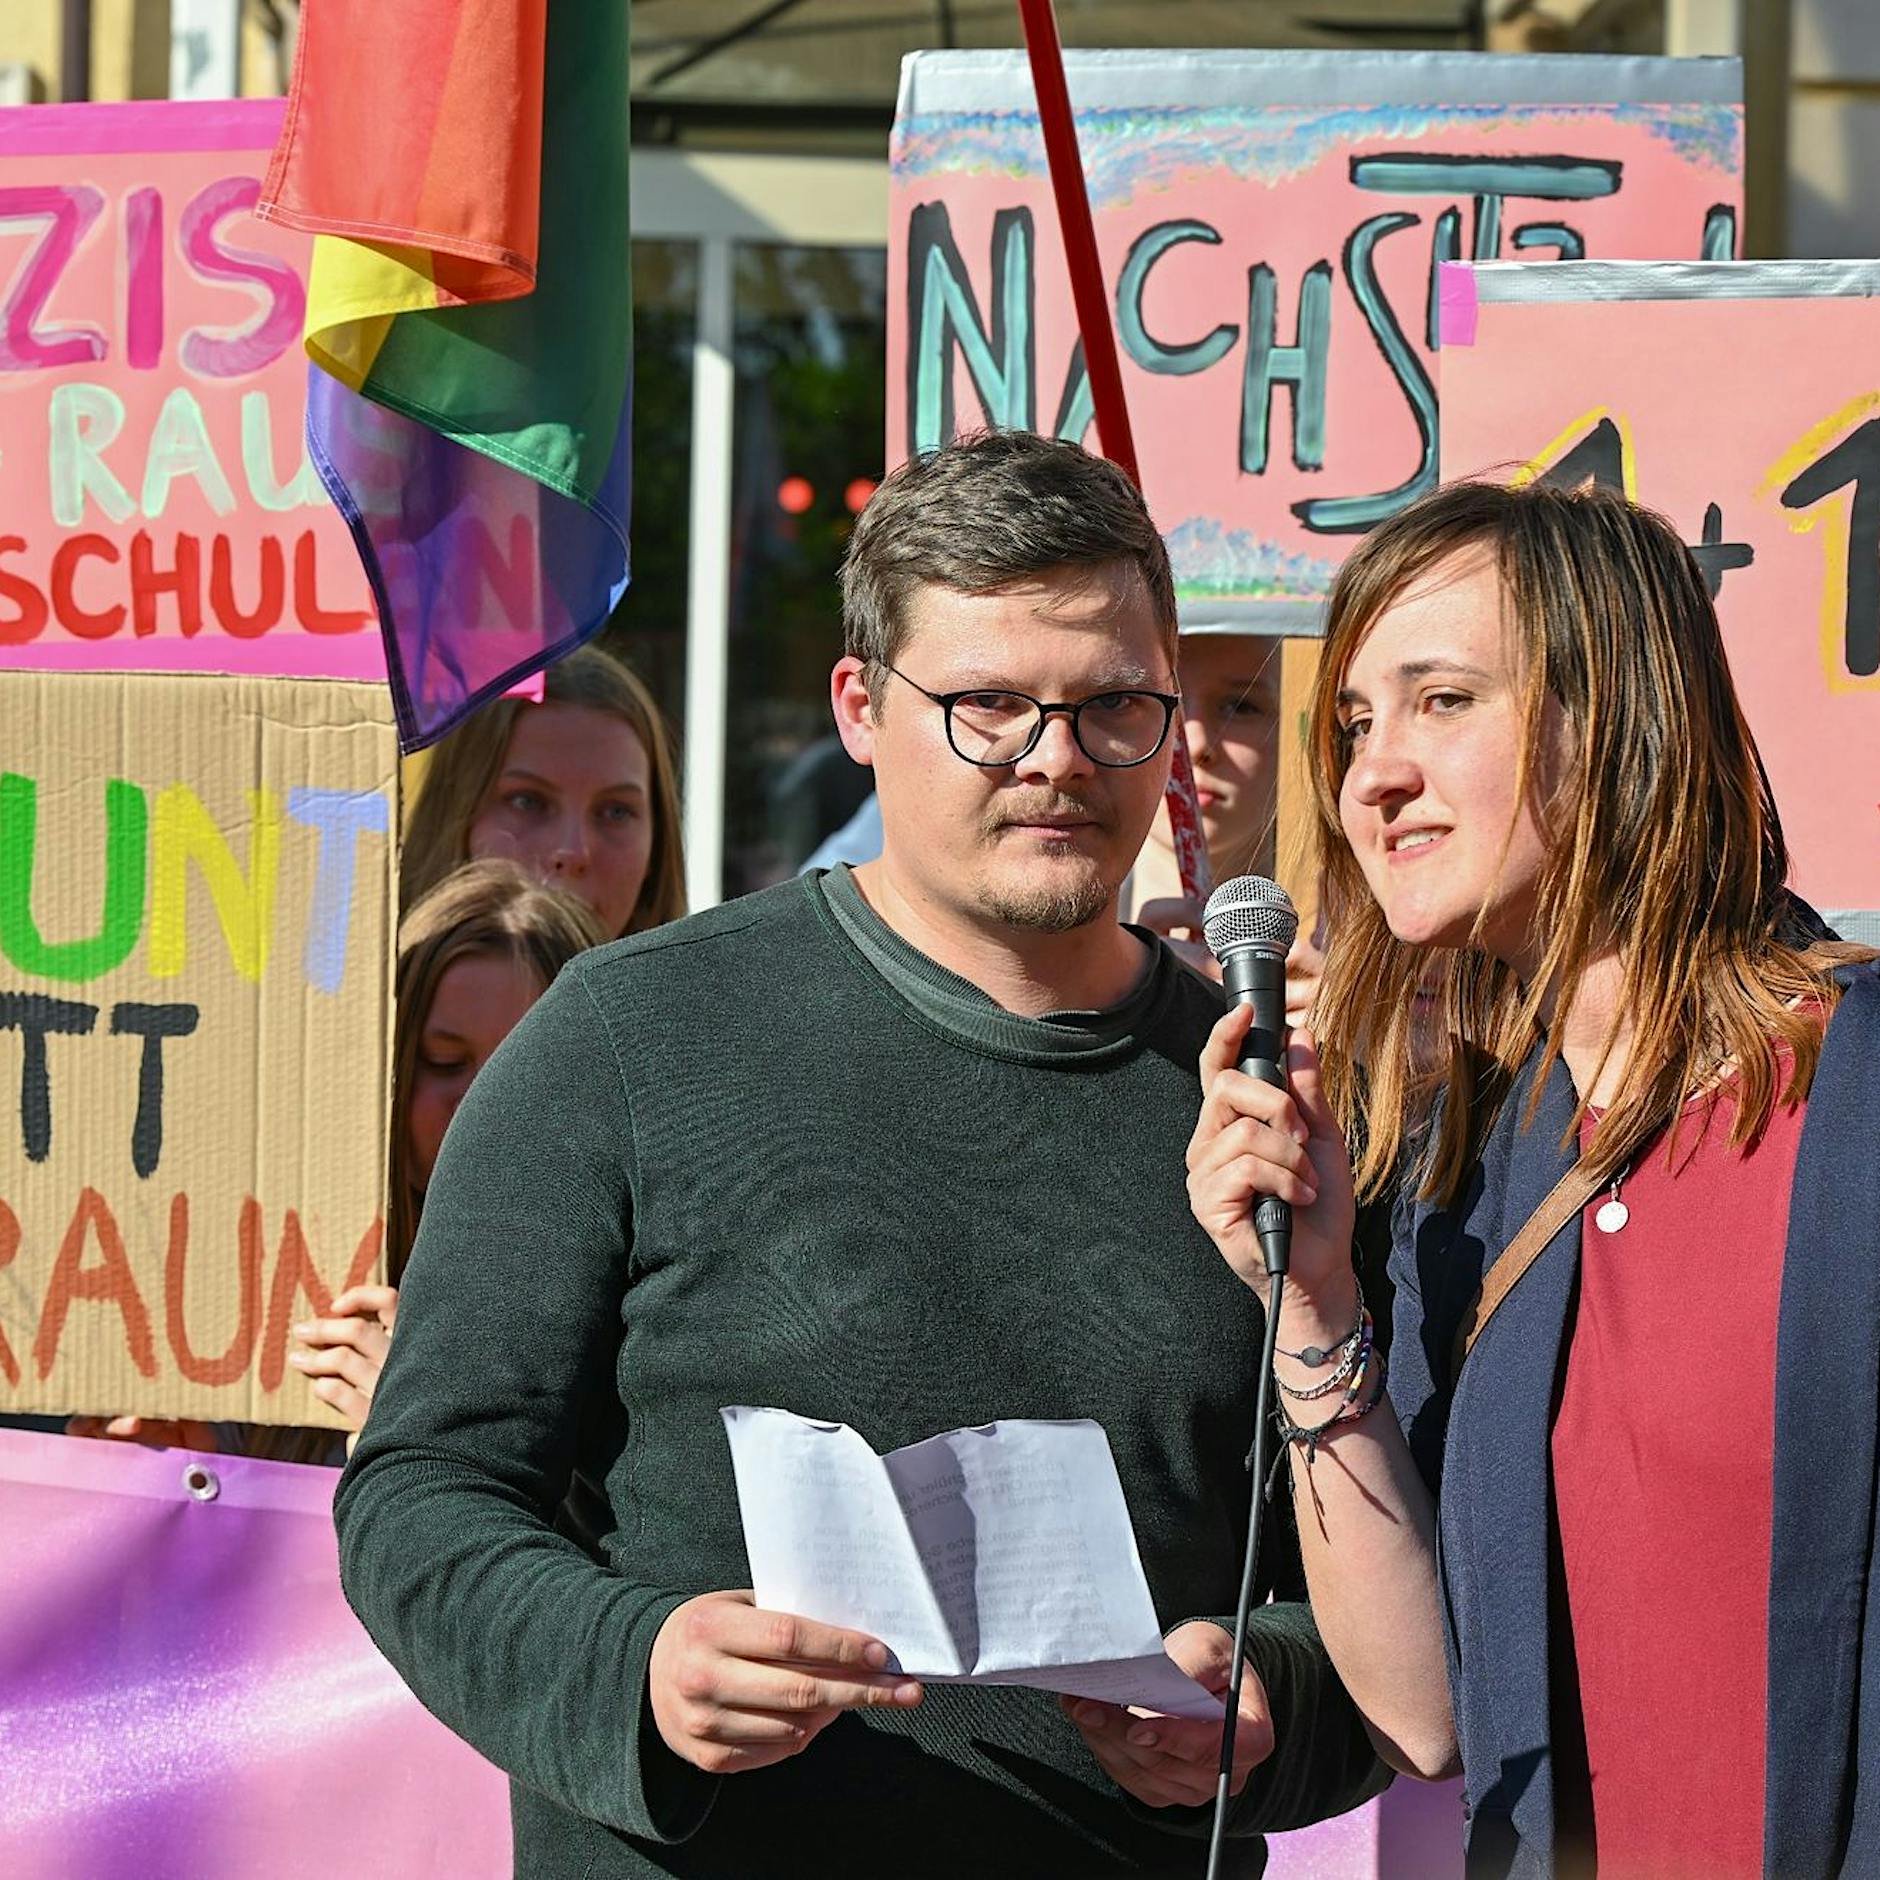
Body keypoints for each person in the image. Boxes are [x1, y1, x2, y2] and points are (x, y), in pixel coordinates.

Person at [338, 430, 1385, 1878]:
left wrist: (1270, 1701)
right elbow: (422, 1497)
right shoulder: (627, 1040)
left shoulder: (1266, 1115)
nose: (1056, 761)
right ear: (859, 706)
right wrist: (637, 1667)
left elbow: (1383, 1582)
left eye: (1113, 708)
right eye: (990, 707)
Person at [1185, 479, 1880, 1875]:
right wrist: (1316, 1308)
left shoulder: (1850, 1087)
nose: (1373, 774)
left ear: (1616, 714)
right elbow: (1428, 1713)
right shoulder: (1480, 1160)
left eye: (1443, 700)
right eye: (1355, 724)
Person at [287, 861, 608, 1435]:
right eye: (443, 1063)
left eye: (519, 1074)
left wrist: (430, 1445)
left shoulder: (641, 1349)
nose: (479, 1108)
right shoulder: (295, 1319)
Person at [401, 644, 685, 937]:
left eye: (616, 811)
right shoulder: (360, 978)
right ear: (453, 814)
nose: (573, 851)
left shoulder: (721, 980)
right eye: (528, 801)